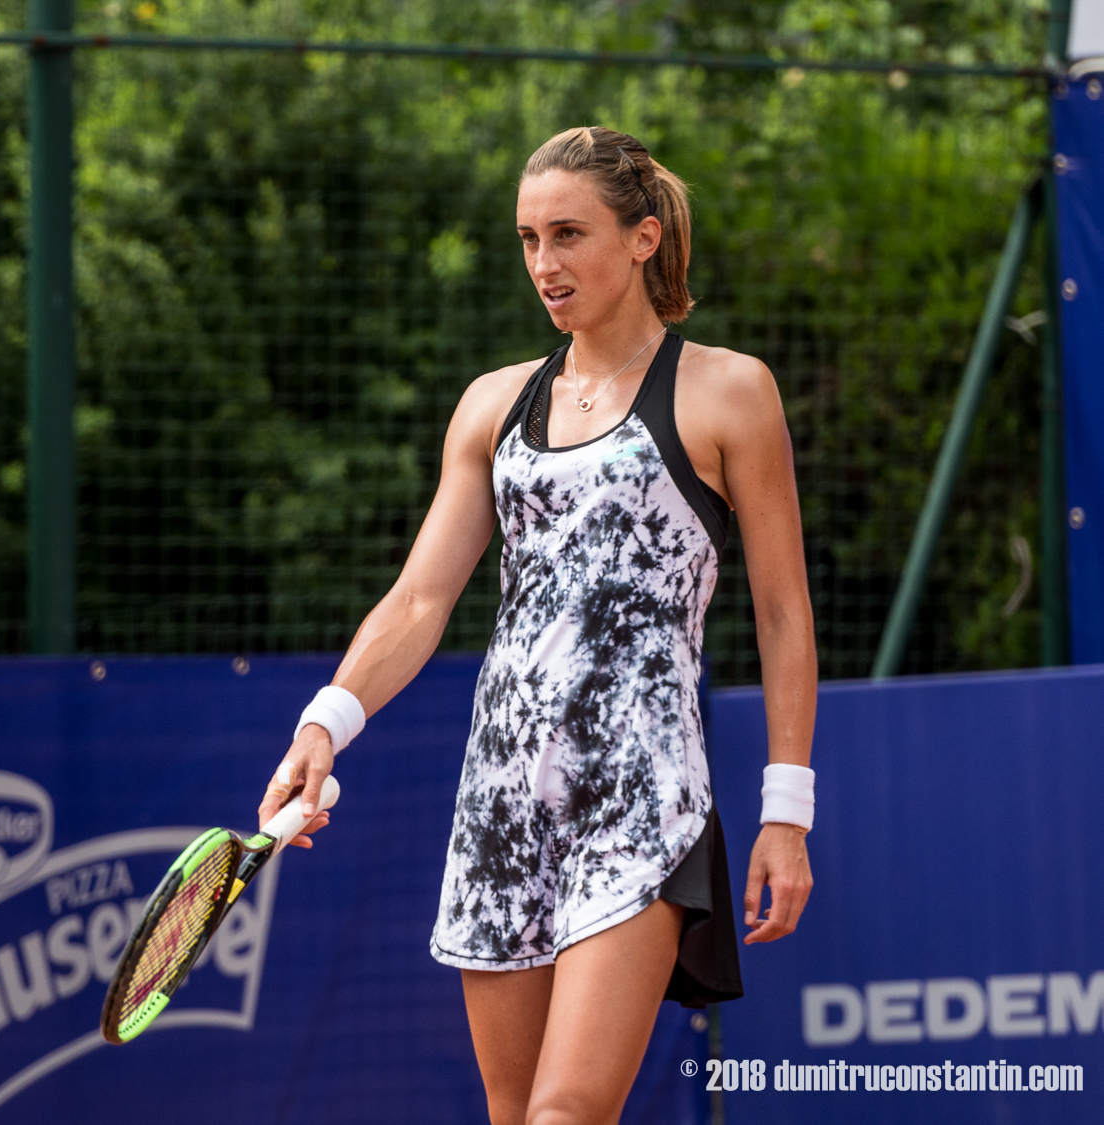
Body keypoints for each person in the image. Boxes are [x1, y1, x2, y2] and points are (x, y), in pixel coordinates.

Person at [259, 125, 817, 1125]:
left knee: (567, 1113)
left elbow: (782, 612)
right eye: (528, 239)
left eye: (568, 234)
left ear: (643, 237)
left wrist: (788, 810)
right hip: (504, 796)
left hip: (643, 799)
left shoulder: (729, 390)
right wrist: (323, 722)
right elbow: (420, 599)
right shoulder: (493, 406)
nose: (544, 264)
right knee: (515, 1116)